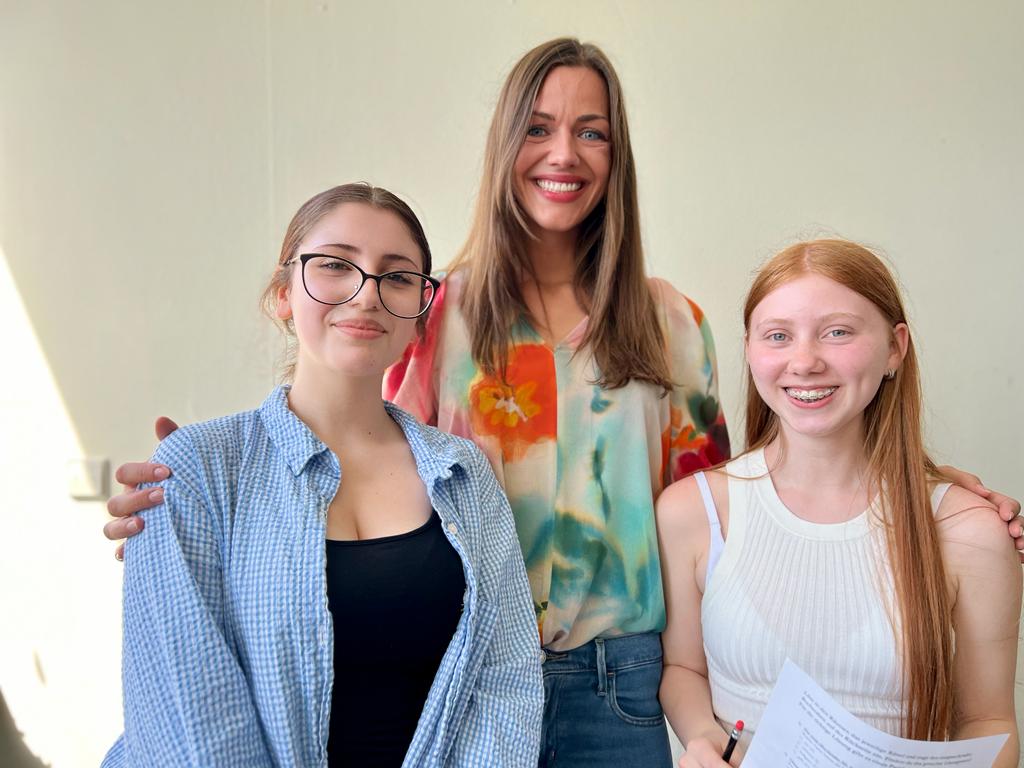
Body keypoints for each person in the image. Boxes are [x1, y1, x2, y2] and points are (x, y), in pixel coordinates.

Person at [102, 39, 1022, 766]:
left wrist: (930, 487)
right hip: (454, 668)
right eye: (539, 127)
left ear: (616, 157)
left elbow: (745, 498)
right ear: (506, 146)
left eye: (592, 132)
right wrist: (204, 490)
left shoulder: (671, 323)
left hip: (621, 684)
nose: (563, 154)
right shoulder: (435, 311)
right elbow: (349, 431)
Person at [102, 183, 543, 767]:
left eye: (397, 276)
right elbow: (185, 713)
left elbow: (505, 675)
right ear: (284, 294)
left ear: (421, 313)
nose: (367, 294)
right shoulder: (195, 468)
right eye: (336, 265)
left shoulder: (464, 475)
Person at [657, 240, 1021, 767]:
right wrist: (700, 738)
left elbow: (988, 721)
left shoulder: (969, 530)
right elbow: (682, 669)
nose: (805, 361)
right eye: (778, 335)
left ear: (895, 348)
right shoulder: (691, 512)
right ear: (750, 349)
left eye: (838, 332)